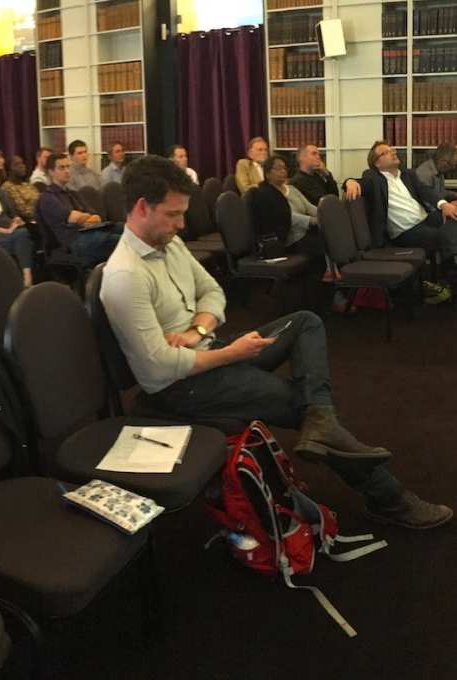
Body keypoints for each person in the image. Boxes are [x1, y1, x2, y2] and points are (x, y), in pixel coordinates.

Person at [101, 154, 452, 529]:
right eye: (173, 214)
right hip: (182, 387)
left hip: (210, 352)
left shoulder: (169, 243)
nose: (181, 223)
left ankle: (322, 418)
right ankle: (388, 498)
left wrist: (197, 332)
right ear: (142, 207)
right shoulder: (125, 277)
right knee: (298, 402)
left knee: (304, 323)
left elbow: (214, 292)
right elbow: (157, 372)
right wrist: (228, 352)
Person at [355, 141, 457, 282]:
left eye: (392, 149)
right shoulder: (373, 177)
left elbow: (425, 191)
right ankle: (450, 279)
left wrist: (444, 205)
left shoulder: (408, 174)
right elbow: (360, 182)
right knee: (445, 235)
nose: (393, 152)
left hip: (425, 219)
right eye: (386, 152)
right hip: (406, 232)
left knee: (454, 216)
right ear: (377, 163)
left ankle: (447, 278)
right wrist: (350, 181)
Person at [36, 152, 122, 266]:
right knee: (122, 240)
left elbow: (97, 217)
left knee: (123, 227)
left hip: (89, 233)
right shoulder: (47, 197)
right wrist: (84, 218)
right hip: (72, 242)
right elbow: (73, 218)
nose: (67, 171)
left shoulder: (74, 193)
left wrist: (82, 218)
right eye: (61, 168)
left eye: (68, 167)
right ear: (51, 172)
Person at [250, 156, 323, 258]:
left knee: (328, 236)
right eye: (278, 168)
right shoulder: (265, 193)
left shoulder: (292, 189)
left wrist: (325, 214)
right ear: (267, 173)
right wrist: (312, 221)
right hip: (288, 237)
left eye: (284, 168)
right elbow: (287, 216)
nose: (283, 171)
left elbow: (309, 207)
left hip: (304, 231)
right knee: (318, 245)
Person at [2, 154, 40, 222]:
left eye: (22, 163)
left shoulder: (28, 185)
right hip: (28, 222)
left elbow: (41, 200)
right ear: (9, 169)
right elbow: (23, 211)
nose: (22, 166)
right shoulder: (7, 187)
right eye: (16, 164)